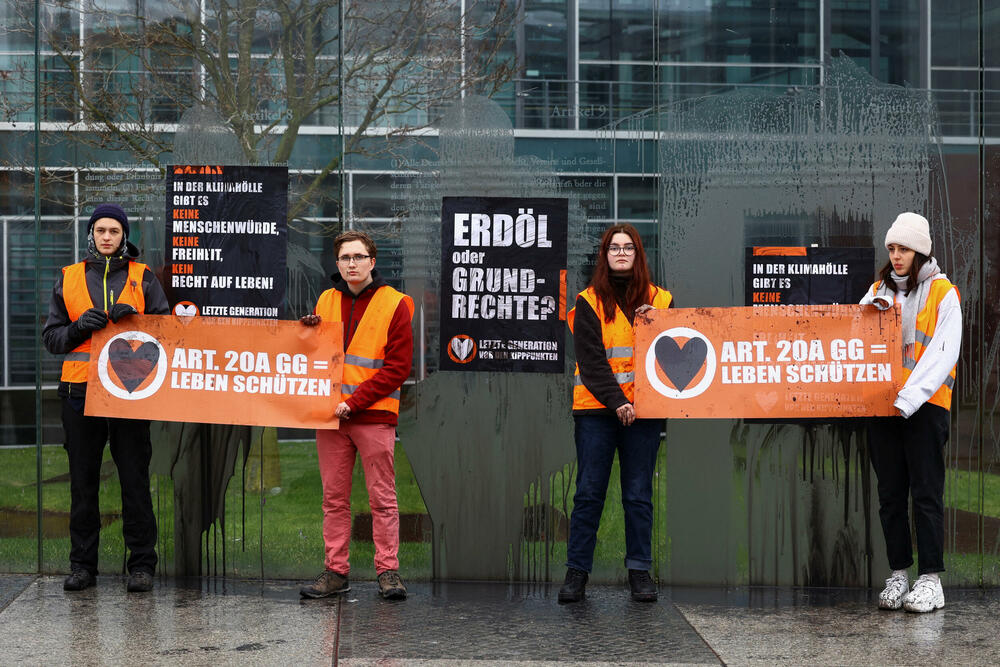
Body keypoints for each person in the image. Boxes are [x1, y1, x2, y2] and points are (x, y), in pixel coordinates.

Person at [42, 203, 170, 593]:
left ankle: (142, 566)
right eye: (101, 230)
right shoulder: (69, 278)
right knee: (83, 483)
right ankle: (83, 566)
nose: (107, 237)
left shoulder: (143, 277)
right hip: (78, 393)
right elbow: (53, 340)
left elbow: (167, 336)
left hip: (129, 393)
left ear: (124, 236)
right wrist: (80, 327)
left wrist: (139, 322)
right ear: (91, 235)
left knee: (134, 479)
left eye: (114, 230)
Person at [559, 223, 674, 603]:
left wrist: (654, 324)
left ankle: (640, 572)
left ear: (638, 255)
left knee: (638, 494)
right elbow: (591, 362)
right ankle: (577, 573)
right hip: (596, 411)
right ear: (604, 256)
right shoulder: (587, 300)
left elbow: (670, 357)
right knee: (589, 493)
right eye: (614, 248)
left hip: (645, 411)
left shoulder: (661, 302)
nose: (621, 253)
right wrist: (618, 402)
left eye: (628, 247)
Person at [299, 230, 414, 601]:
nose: (352, 263)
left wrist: (356, 402)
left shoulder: (395, 303)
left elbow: (397, 368)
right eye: (345, 257)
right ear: (337, 263)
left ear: (372, 261)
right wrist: (305, 333)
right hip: (332, 417)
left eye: (359, 257)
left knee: (382, 498)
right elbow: (316, 356)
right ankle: (336, 571)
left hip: (373, 416)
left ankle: (388, 571)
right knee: (334, 500)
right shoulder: (325, 300)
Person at [860, 212, 961, 613]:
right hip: (882, 408)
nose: (896, 255)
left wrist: (910, 396)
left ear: (920, 251)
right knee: (890, 496)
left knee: (925, 495)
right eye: (891, 248)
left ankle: (931, 580)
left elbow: (942, 352)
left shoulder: (943, 293)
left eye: (903, 248)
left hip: (926, 409)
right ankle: (900, 574)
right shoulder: (877, 291)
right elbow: (856, 339)